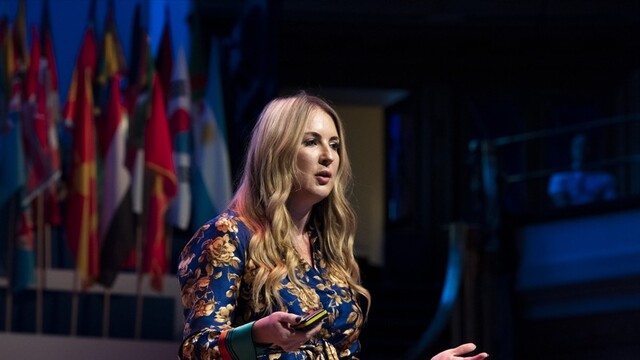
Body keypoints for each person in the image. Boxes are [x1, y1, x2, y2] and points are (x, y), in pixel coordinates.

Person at [177, 91, 489, 360]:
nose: (329, 156)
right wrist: (259, 333)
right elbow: (197, 350)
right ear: (278, 152)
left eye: (335, 145)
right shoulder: (230, 234)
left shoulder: (328, 250)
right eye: (311, 142)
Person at [547, 132, 617, 207]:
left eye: (585, 146)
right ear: (571, 149)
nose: (582, 149)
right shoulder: (558, 178)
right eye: (578, 146)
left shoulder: (605, 178)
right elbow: (562, 205)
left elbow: (610, 204)